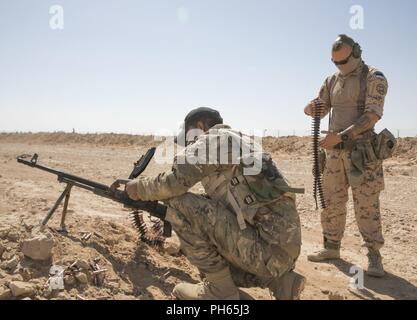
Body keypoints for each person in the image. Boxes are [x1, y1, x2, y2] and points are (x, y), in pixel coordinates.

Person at [126, 107, 305, 300]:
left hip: (264, 251)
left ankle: (220, 291)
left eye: (189, 138)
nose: (189, 145)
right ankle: (282, 283)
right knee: (204, 210)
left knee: (177, 203)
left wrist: (138, 188)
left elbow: (174, 183)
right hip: (282, 253)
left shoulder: (213, 139)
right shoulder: (243, 141)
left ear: (200, 127)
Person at [304, 34, 389, 277]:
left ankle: (374, 257)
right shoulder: (332, 80)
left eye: (342, 62)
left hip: (362, 153)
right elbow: (321, 108)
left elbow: (372, 116)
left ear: (357, 53)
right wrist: (311, 109)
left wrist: (341, 137)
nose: (339, 67)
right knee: (331, 201)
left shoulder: (373, 77)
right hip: (333, 154)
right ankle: (331, 248)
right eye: (334, 62)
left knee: (367, 205)